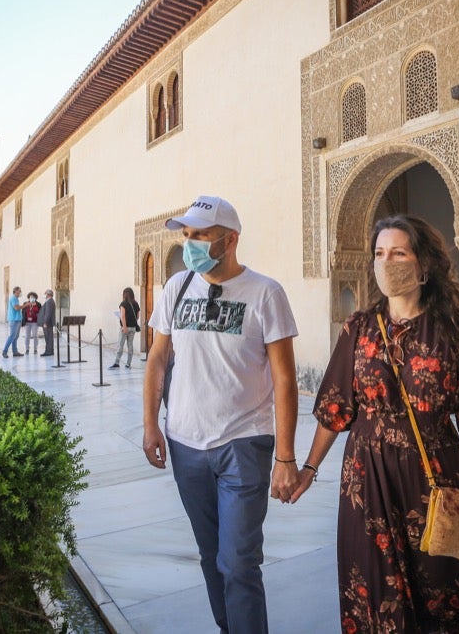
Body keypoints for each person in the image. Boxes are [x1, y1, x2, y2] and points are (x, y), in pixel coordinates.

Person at [289, 214, 459, 633]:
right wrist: (309, 467)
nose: (387, 263)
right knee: (373, 585)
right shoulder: (359, 328)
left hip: (435, 475)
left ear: (423, 264)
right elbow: (335, 408)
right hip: (367, 477)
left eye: (398, 253)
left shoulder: (453, 329)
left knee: (446, 585)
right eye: (380, 254)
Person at [142, 195, 300, 634]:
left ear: (229, 240)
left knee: (239, 562)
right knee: (211, 556)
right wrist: (151, 423)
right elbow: (157, 358)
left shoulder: (266, 294)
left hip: (244, 443)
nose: (189, 244)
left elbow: (285, 380)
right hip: (185, 443)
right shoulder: (176, 288)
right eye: (187, 235)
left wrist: (285, 458)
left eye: (199, 236)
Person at [110, 287, 140, 368]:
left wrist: (125, 327)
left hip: (125, 328)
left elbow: (122, 316)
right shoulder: (136, 303)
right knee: (130, 345)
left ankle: (117, 362)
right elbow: (137, 316)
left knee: (120, 345)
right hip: (133, 328)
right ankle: (128, 363)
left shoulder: (123, 304)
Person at [1, 286, 24, 358]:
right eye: (19, 291)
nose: (20, 292)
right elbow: (16, 308)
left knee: (15, 337)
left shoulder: (16, 299)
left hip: (17, 320)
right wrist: (25, 305)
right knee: (12, 336)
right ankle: (4, 351)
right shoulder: (13, 298)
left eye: (20, 291)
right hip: (14, 320)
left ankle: (15, 351)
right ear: (15, 291)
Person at [38, 289, 56, 356]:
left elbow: (48, 313)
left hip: (47, 323)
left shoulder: (49, 302)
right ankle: (49, 350)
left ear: (48, 294)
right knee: (48, 337)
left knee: (48, 337)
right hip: (48, 323)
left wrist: (45, 322)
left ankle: (49, 351)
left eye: (45, 293)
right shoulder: (50, 301)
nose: (44, 295)